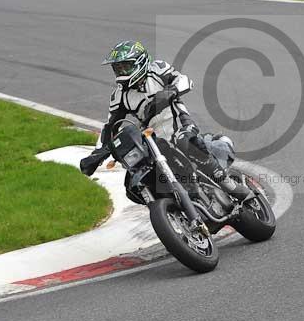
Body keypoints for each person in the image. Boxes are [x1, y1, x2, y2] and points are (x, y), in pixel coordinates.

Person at [79, 40, 250, 204]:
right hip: (153, 138)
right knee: (133, 182)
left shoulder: (158, 69)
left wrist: (171, 91)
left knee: (183, 140)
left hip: (179, 123)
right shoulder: (119, 96)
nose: (121, 72)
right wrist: (96, 156)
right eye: (118, 68)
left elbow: (185, 81)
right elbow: (110, 127)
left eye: (126, 66)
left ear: (140, 62)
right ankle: (173, 207)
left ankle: (227, 183)